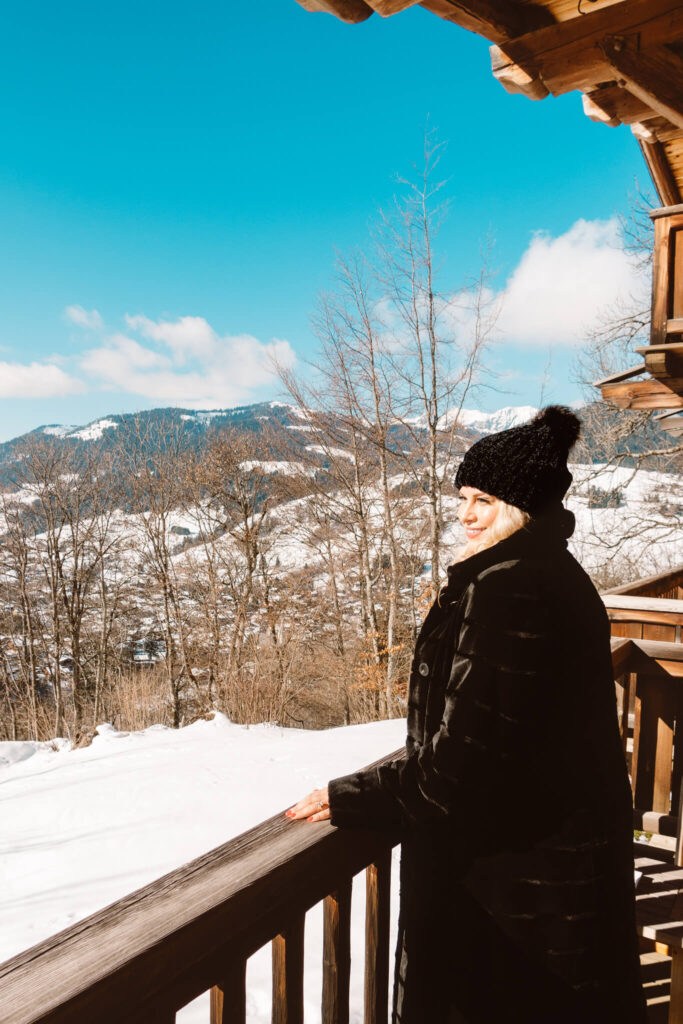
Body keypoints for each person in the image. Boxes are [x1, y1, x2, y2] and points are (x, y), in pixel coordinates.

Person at [286, 406, 647, 1024]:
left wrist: (353, 796)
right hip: (544, 878)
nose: (465, 514)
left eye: (482, 499)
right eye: (463, 497)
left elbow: (463, 766)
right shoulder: (546, 573)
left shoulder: (511, 588)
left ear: (519, 505)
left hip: (511, 892)